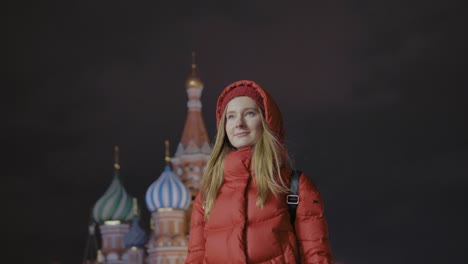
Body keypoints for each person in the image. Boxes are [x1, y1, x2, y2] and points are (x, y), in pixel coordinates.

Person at [185, 80, 333, 263]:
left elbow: (316, 257)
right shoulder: (208, 194)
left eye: (249, 113)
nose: (239, 123)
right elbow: (195, 258)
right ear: (223, 126)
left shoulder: (294, 187)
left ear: (267, 120)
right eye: (230, 116)